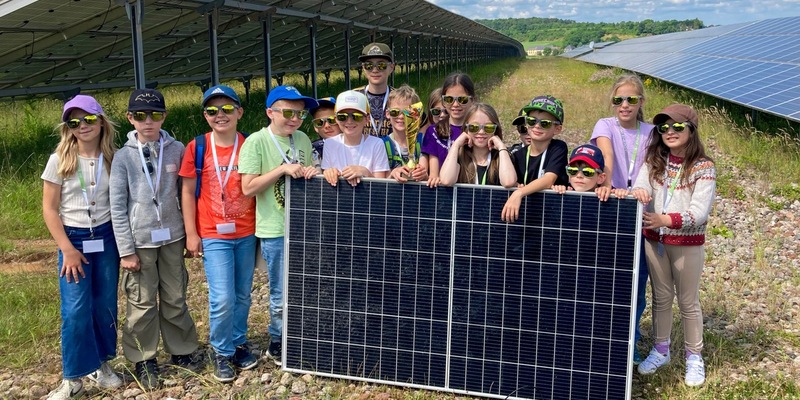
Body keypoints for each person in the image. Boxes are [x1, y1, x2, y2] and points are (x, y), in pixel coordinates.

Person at [110, 88, 200, 389]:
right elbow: (117, 206)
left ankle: (182, 350)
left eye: (155, 115)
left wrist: (189, 234)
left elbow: (185, 195)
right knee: (142, 300)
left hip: (173, 236)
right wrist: (126, 250)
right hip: (140, 241)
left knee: (175, 295)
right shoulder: (123, 157)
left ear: (164, 117)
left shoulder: (177, 150)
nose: (148, 121)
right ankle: (143, 357)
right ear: (129, 119)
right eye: (140, 115)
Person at [42, 95, 122, 399]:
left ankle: (103, 365)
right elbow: (50, 209)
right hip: (73, 240)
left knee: (105, 306)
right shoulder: (59, 160)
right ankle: (72, 377)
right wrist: (67, 248)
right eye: (74, 122)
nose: (82, 126)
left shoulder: (114, 157)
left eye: (88, 119)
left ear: (101, 121)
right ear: (68, 127)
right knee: (75, 310)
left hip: (106, 237)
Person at [630, 104, 715, 387]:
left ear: (691, 130)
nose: (669, 132)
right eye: (664, 127)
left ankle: (694, 356)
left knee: (688, 302)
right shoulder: (653, 161)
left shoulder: (703, 167)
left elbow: (699, 212)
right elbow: (639, 186)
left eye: (677, 127)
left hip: (687, 243)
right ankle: (661, 349)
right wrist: (640, 192)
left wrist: (665, 218)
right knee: (661, 298)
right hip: (655, 241)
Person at [178, 85, 258, 382]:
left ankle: (238, 342)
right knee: (222, 297)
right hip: (213, 233)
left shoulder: (249, 144)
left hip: (247, 231)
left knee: (242, 294)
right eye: (213, 110)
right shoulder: (197, 147)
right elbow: (187, 192)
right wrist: (191, 233)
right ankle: (221, 351)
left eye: (227, 109)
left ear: (239, 112)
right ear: (205, 116)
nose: (220, 115)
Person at [239, 85, 319, 366]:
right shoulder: (256, 142)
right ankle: (279, 340)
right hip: (275, 229)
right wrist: (281, 169)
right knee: (281, 290)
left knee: (305, 286)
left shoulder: (303, 140)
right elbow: (248, 188)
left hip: (303, 227)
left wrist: (313, 172)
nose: (294, 119)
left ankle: (301, 334)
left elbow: (310, 177)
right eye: (287, 112)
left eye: (300, 114)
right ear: (269, 112)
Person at [590, 74, 656, 365]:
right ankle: (604, 338)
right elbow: (607, 155)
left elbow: (656, 167)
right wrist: (605, 181)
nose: (625, 105)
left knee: (637, 282)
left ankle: (631, 343)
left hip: (641, 212)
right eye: (619, 100)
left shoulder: (652, 132)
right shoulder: (605, 125)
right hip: (614, 208)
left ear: (641, 102)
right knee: (607, 280)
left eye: (631, 99)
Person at [501, 95, 569, 222]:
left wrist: (519, 193)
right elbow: (508, 181)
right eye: (532, 121)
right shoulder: (517, 155)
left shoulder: (558, 148)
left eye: (545, 123)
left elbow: (549, 179)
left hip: (553, 216)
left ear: (557, 129)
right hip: (525, 216)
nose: (537, 126)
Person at [322, 90, 390, 186]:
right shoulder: (330, 143)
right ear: (336, 119)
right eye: (343, 117)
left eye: (356, 116)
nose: (349, 121)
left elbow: (380, 186)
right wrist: (329, 173)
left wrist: (365, 172)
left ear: (367, 119)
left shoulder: (376, 144)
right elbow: (326, 179)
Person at [439, 102, 516, 187]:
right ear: (466, 128)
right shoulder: (458, 156)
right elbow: (446, 180)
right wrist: (456, 145)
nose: (481, 132)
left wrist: (502, 147)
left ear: (495, 129)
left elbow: (508, 182)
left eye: (488, 127)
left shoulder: (502, 157)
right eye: (474, 127)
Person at [422, 73, 477, 187]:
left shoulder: (478, 131)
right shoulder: (433, 131)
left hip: (471, 191)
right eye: (449, 99)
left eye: (462, 99)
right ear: (443, 100)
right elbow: (434, 174)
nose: (455, 104)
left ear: (473, 100)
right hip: (442, 191)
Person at [383, 85, 428, 183]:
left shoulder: (424, 141)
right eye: (395, 112)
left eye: (408, 112)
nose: (401, 116)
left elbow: (429, 178)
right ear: (387, 114)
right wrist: (392, 174)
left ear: (417, 114)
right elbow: (379, 182)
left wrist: (424, 175)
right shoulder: (381, 144)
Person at [354, 42, 395, 137]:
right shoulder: (353, 97)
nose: (375, 70)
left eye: (381, 65)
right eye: (369, 65)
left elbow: (421, 124)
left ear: (391, 67)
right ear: (363, 68)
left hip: (392, 151)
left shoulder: (400, 98)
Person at [309, 96, 340, 164]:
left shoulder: (356, 144)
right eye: (319, 122)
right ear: (315, 127)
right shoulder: (311, 149)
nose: (327, 126)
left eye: (332, 120)